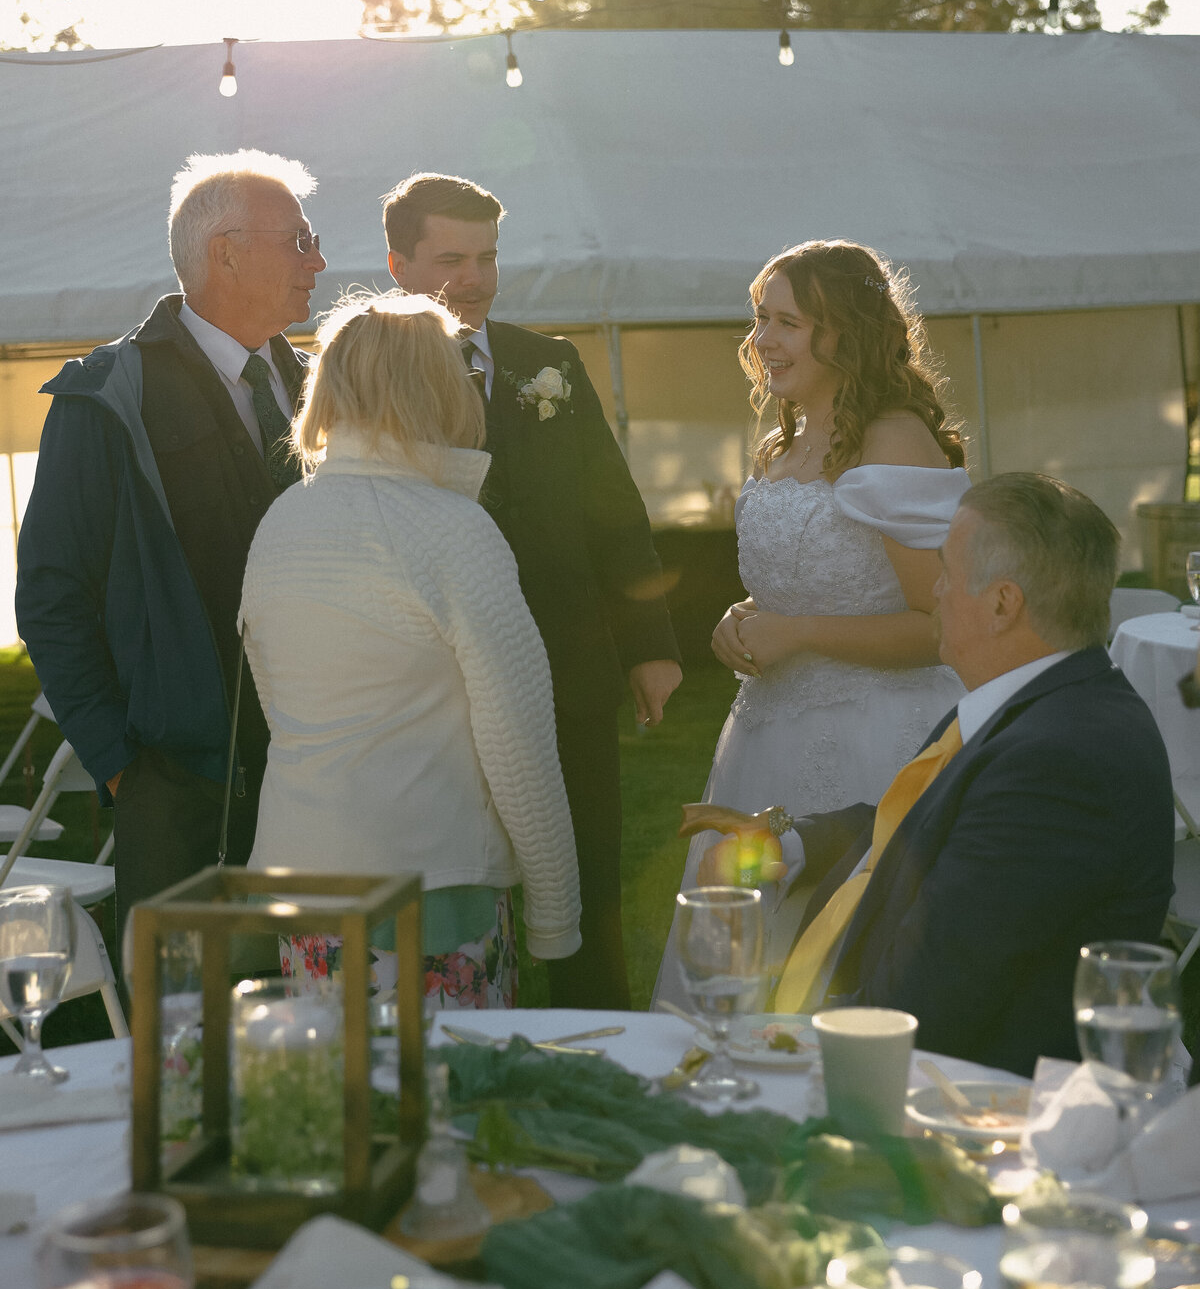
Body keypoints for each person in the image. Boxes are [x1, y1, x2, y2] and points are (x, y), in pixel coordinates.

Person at [699, 474, 1176, 1077]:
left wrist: (775, 1048)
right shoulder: (1042, 700)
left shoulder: (1061, 761)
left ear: (1004, 604)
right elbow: (927, 821)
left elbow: (923, 1007)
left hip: (957, 1097)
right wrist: (790, 841)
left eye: (947, 571)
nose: (935, 589)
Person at [382, 171, 681, 1008]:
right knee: (464, 891)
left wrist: (650, 646)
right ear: (399, 263)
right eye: (450, 258)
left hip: (570, 676)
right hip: (434, 685)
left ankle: (603, 1045)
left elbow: (614, 514)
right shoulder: (361, 373)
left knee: (588, 884)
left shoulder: (548, 364)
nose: (472, 279)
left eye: (486, 257)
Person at [15, 149, 326, 949]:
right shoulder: (110, 395)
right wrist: (122, 764)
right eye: (298, 239)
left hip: (316, 770)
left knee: (318, 1028)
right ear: (225, 251)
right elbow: (52, 594)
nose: (318, 261)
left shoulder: (325, 389)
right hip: (174, 781)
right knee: (188, 1037)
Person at [241, 290, 581, 1006]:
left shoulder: (281, 520)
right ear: (437, 387)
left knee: (337, 1106)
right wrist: (557, 915)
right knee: (446, 1106)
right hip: (429, 881)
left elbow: (281, 706)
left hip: (305, 880)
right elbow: (518, 742)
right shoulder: (452, 528)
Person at [655, 239, 968, 1008]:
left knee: (843, 962)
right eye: (761, 319)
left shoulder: (892, 441)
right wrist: (746, 616)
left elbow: (940, 627)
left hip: (873, 742)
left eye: (787, 323)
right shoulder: (781, 445)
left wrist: (796, 634)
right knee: (747, 956)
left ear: (846, 331)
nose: (763, 342)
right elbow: (806, 589)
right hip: (767, 738)